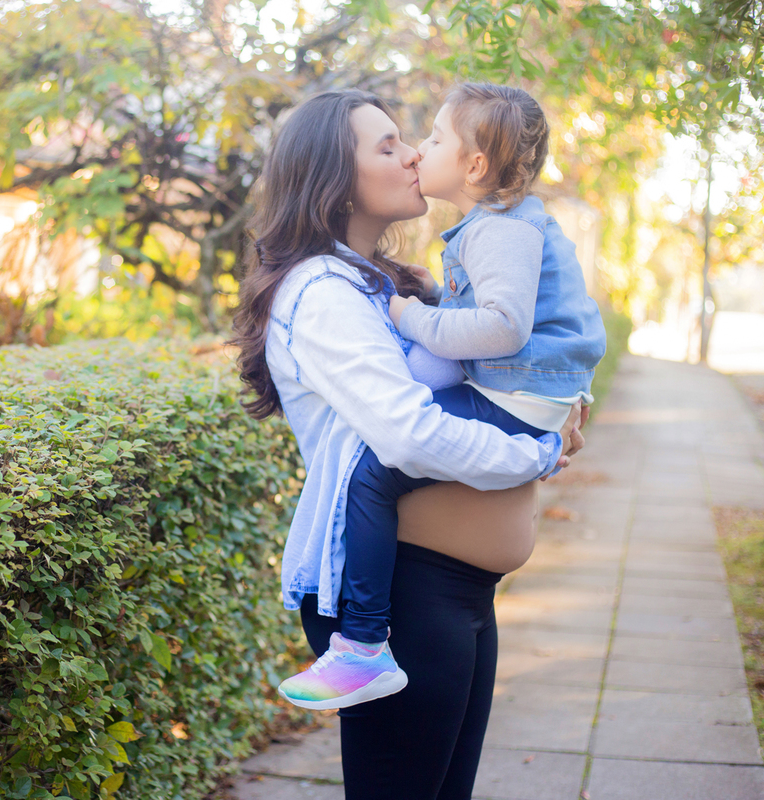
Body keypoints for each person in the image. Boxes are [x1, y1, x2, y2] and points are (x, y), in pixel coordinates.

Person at [230, 89, 585, 800]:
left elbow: (498, 358)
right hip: (396, 600)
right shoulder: (323, 292)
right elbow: (409, 436)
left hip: (453, 593)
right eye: (387, 145)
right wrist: (535, 457)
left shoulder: (386, 284)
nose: (414, 154)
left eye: (410, 139)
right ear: (335, 179)